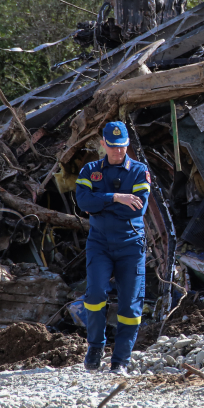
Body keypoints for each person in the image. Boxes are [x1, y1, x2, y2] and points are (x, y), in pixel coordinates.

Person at [75, 121, 151, 374]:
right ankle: (95, 347)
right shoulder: (90, 170)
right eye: (113, 147)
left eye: (122, 147)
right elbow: (82, 201)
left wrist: (99, 204)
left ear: (128, 144)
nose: (118, 152)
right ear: (103, 144)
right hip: (100, 243)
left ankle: (120, 361)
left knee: (130, 305)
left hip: (131, 244)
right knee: (95, 294)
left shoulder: (139, 171)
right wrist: (117, 198)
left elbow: (139, 207)